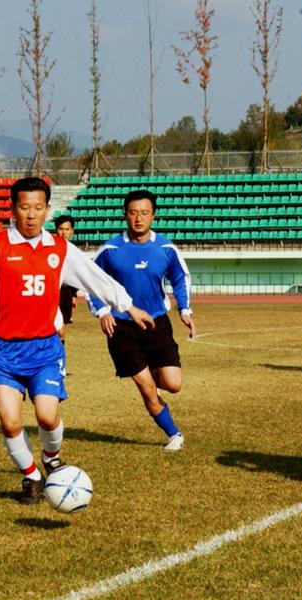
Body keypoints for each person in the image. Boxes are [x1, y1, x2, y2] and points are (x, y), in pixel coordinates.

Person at [0, 177, 155, 505]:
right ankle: (31, 476)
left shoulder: (60, 248)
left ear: (48, 210)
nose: (31, 215)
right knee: (10, 423)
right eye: (24, 207)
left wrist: (128, 306)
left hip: (44, 347)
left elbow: (94, 278)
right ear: (13, 209)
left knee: (46, 417)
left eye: (38, 208)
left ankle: (51, 457)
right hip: (3, 349)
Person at [89, 189, 194, 451]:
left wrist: (185, 310)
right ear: (125, 215)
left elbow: (180, 279)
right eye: (133, 213)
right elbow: (91, 282)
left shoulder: (165, 248)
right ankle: (174, 434)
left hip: (157, 324)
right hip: (121, 327)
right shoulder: (111, 248)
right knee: (146, 387)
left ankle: (152, 382)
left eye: (145, 213)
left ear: (153, 215)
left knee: (173, 384)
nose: (139, 218)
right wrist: (102, 311)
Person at [53, 214, 79, 345]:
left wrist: (74, 295)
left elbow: (76, 274)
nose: (64, 232)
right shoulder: (49, 249)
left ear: (72, 231)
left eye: (67, 229)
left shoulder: (74, 251)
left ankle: (59, 362)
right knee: (51, 329)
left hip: (66, 293)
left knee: (61, 331)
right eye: (61, 229)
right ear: (56, 230)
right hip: (50, 292)